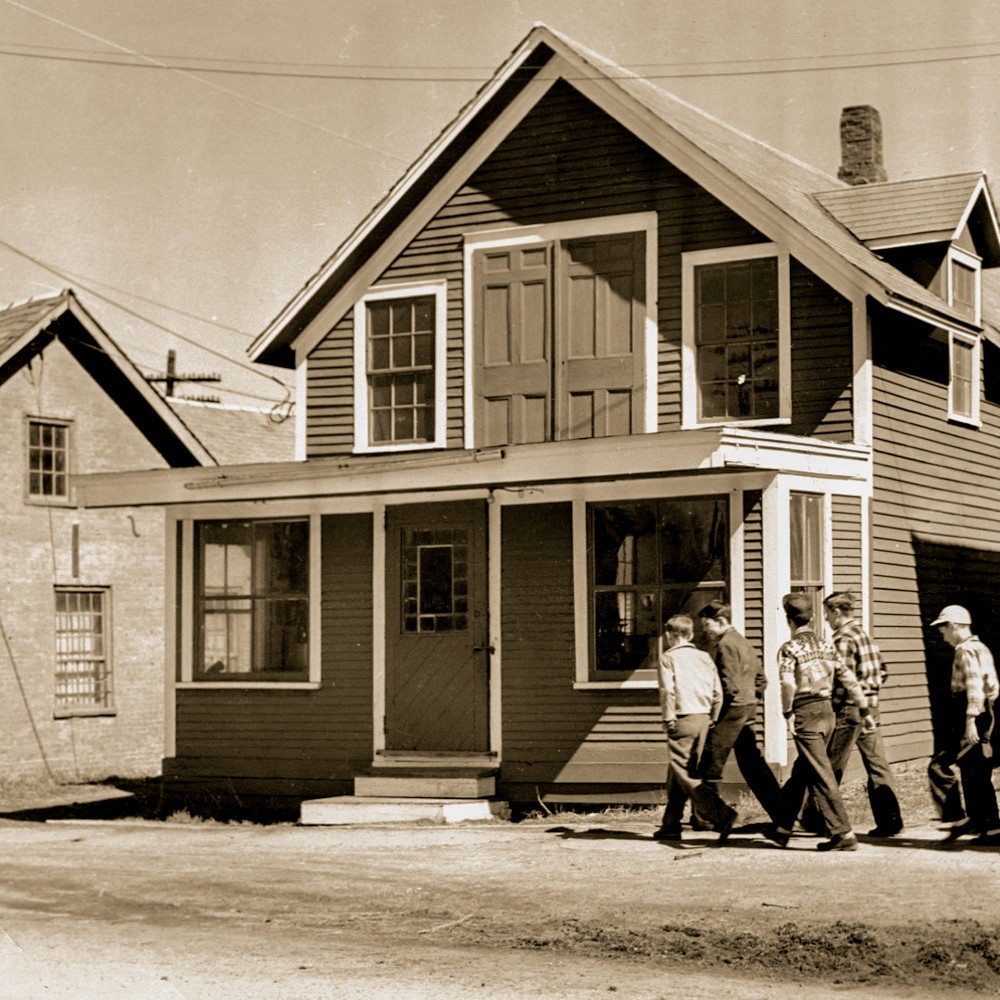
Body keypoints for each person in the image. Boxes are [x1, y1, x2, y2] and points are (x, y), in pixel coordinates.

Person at [764, 594, 875, 852]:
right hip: (828, 713)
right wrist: (865, 709)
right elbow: (849, 679)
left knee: (821, 774)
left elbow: (788, 683)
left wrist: (788, 712)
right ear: (813, 616)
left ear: (788, 619)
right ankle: (782, 828)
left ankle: (843, 833)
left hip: (806, 713)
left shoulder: (789, 648)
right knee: (803, 770)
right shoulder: (827, 645)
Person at [690, 602, 782, 838]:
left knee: (709, 764)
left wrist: (717, 715)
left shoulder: (725, 645)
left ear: (721, 622)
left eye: (707, 624)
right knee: (754, 767)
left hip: (730, 714)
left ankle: (709, 818)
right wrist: (751, 702)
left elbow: (729, 687)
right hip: (746, 712)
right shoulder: (742, 641)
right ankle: (784, 815)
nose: (705, 630)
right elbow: (762, 680)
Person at [821, 592, 904, 837]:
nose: (826, 619)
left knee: (831, 766)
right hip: (871, 708)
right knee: (877, 765)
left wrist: (832, 705)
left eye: (827, 613)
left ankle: (826, 822)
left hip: (848, 709)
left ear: (837, 612)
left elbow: (841, 680)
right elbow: (883, 671)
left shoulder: (843, 639)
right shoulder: (865, 635)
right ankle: (891, 822)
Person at [929, 605, 1000, 845]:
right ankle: (987, 826)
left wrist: (970, 720)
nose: (943, 636)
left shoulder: (965, 650)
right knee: (976, 772)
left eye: (944, 630)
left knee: (940, 765)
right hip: (985, 711)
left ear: (955, 626)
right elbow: (992, 687)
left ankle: (959, 818)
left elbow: (974, 686)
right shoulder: (981, 648)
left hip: (971, 712)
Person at [653, 614, 723, 842]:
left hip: (682, 717)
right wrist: (713, 716)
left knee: (681, 772)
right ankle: (684, 821)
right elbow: (717, 692)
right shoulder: (704, 657)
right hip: (704, 717)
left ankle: (716, 816)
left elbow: (667, 691)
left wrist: (668, 718)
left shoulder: (668, 658)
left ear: (668, 636)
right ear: (691, 634)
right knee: (688, 770)